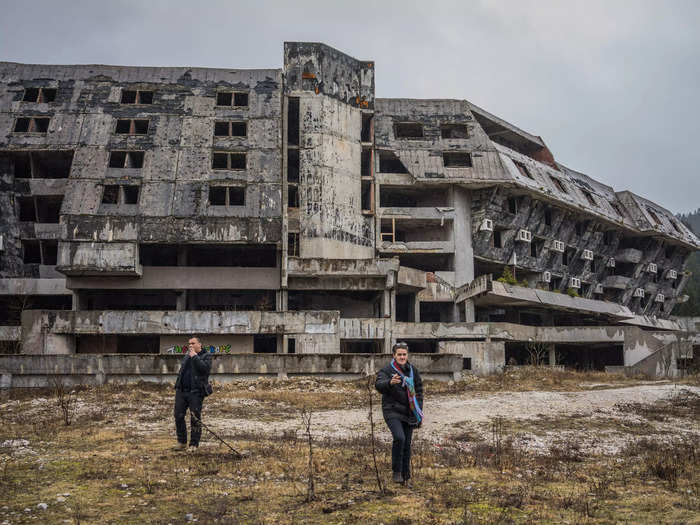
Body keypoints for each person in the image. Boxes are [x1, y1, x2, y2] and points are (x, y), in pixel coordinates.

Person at [375, 341, 423, 485]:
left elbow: (419, 391)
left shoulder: (413, 371)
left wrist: (418, 410)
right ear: (394, 355)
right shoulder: (387, 370)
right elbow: (378, 385)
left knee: (407, 445)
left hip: (410, 412)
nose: (402, 357)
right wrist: (390, 383)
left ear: (407, 355)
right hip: (392, 411)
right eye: (399, 355)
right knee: (399, 438)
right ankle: (396, 471)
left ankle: (405, 476)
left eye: (404, 354)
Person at [173, 336, 212, 451]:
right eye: (189, 343)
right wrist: (177, 385)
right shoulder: (187, 356)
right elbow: (182, 371)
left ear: (200, 344)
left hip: (196, 392)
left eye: (193, 343)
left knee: (195, 418)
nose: (190, 345)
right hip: (182, 391)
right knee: (178, 416)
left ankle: (194, 444)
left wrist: (194, 357)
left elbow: (204, 369)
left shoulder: (206, 356)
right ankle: (181, 442)